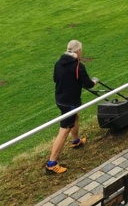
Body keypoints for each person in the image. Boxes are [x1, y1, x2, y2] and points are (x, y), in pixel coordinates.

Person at [45, 40, 97, 174]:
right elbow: (88, 84)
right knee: (64, 130)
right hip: (70, 102)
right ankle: (52, 163)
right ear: (78, 51)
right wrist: (94, 82)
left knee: (76, 116)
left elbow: (55, 79)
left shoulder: (58, 63)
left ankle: (76, 141)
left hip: (60, 99)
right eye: (81, 50)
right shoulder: (78, 66)